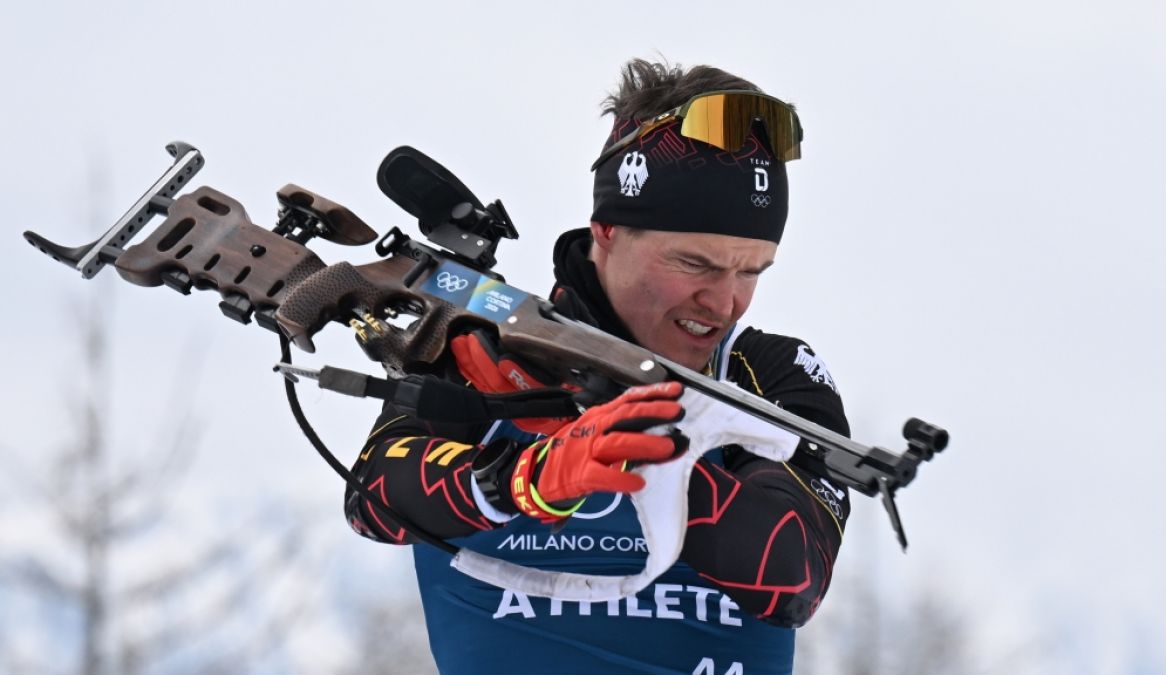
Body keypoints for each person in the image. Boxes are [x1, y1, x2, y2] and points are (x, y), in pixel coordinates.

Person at [344, 58, 851, 674]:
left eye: (751, 271)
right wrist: (526, 478)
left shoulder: (768, 373)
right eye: (695, 264)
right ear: (608, 231)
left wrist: (631, 441)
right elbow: (373, 494)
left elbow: (794, 573)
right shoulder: (489, 344)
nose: (725, 302)